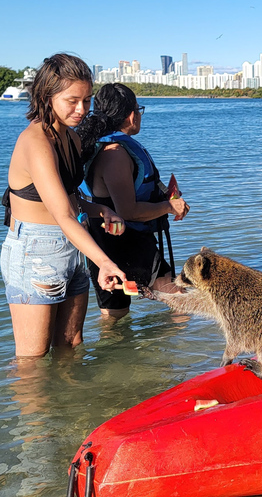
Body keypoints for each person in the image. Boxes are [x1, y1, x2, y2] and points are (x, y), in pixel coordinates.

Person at [1, 54, 128, 358]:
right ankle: (32, 407)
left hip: (71, 248)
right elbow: (62, 213)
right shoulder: (35, 140)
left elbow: (68, 199)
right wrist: (105, 262)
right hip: (35, 251)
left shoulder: (70, 137)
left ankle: (72, 406)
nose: (82, 110)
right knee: (32, 359)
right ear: (47, 96)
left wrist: (101, 210)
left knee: (71, 347)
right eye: (72, 100)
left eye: (87, 100)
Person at [77, 83, 189, 318]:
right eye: (139, 110)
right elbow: (127, 211)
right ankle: (182, 352)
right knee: (182, 302)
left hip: (100, 243)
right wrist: (170, 207)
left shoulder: (99, 146)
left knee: (113, 315)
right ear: (131, 115)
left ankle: (114, 354)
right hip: (126, 243)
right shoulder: (115, 153)